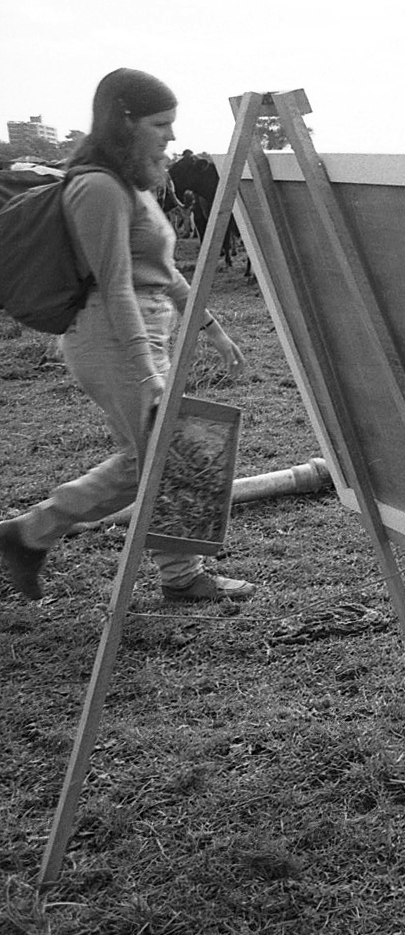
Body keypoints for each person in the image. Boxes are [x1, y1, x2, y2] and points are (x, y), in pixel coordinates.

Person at [0, 69, 251, 603]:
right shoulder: (96, 188)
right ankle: (33, 535)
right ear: (126, 120)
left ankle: (33, 535)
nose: (172, 137)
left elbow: (164, 270)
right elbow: (115, 285)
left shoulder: (131, 186)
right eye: (161, 124)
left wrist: (212, 329)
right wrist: (145, 369)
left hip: (138, 331)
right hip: (110, 335)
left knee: (162, 454)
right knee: (164, 454)